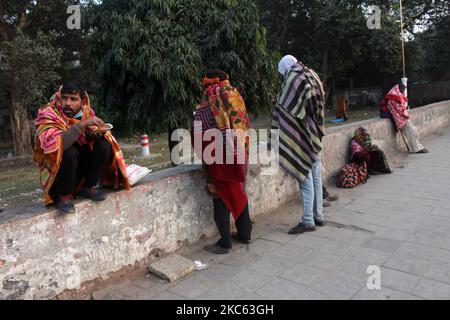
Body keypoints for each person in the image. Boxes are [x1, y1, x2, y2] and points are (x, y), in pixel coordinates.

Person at [33, 81, 130, 214]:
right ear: (59, 98)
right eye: (64, 98)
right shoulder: (48, 114)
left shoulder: (86, 113)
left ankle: (87, 186)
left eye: (73, 99)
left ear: (82, 101)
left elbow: (85, 142)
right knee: (69, 151)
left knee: (104, 144)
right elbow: (55, 147)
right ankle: (63, 196)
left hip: (78, 170)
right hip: (57, 176)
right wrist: (80, 126)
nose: (68, 103)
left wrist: (92, 136)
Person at [191, 69, 252, 254]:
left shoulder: (209, 101)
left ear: (208, 83)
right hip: (240, 154)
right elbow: (245, 123)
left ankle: (225, 242)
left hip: (219, 158)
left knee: (220, 196)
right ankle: (245, 234)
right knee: (238, 190)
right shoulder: (236, 95)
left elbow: (197, 132)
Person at [271, 55, 326, 235]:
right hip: (314, 132)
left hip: (301, 135)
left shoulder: (293, 78)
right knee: (316, 175)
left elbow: (284, 109)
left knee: (305, 176)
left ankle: (308, 220)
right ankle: (319, 215)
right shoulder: (312, 74)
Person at [380, 80, 428, 154]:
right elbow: (399, 110)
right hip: (400, 119)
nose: (403, 91)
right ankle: (416, 149)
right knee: (410, 132)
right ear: (399, 89)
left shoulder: (396, 95)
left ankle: (417, 147)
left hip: (401, 118)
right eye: (402, 89)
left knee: (411, 132)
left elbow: (402, 107)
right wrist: (405, 109)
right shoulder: (393, 97)